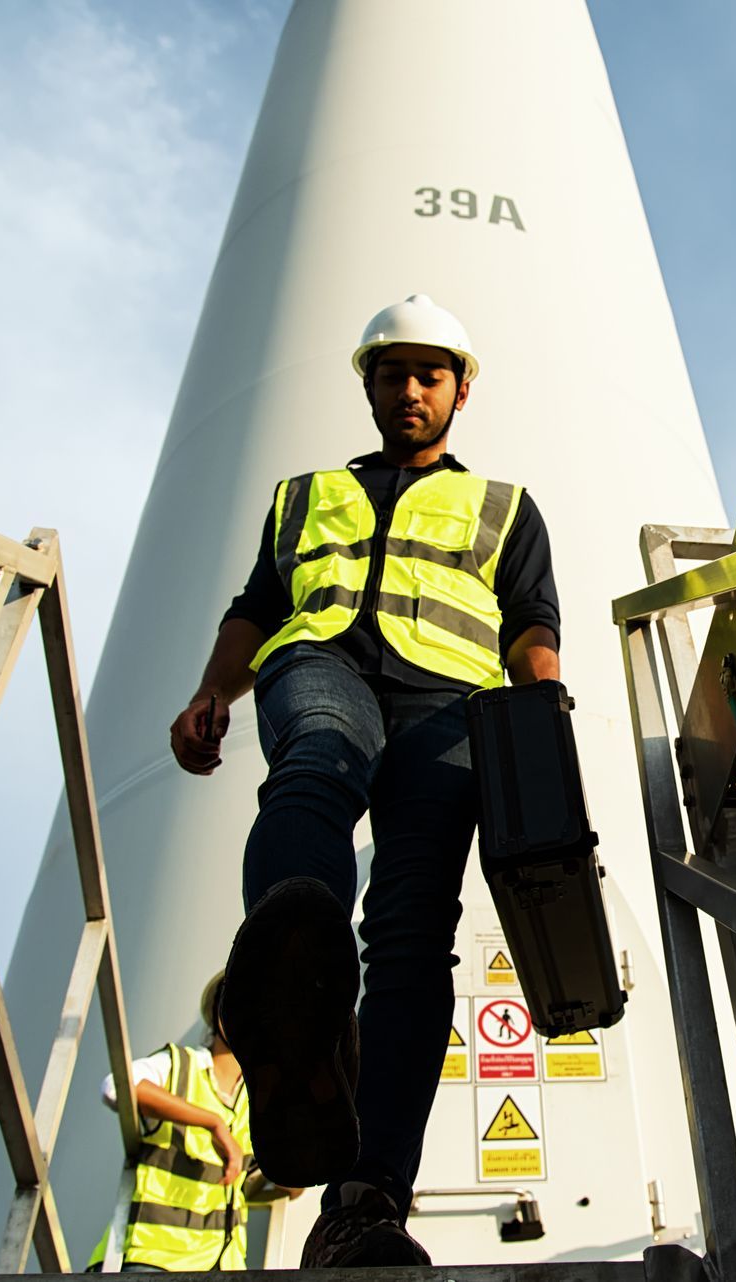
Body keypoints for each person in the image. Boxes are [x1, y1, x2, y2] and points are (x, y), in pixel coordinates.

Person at [166, 295, 560, 1267]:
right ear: (371, 384)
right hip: (323, 660)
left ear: (461, 389)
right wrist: (215, 688)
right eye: (395, 373)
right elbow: (259, 604)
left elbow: (532, 621)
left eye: (432, 375)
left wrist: (542, 714)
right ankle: (300, 985)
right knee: (314, 764)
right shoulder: (303, 496)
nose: (412, 389)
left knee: (413, 929)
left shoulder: (504, 506)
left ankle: (367, 1195)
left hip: (452, 700)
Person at [87, 972, 299, 1272]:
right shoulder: (179, 1066)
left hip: (221, 1268)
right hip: (151, 1259)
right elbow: (116, 1087)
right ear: (217, 1011)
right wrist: (211, 1122)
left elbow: (292, 1185)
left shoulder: (260, 1102)